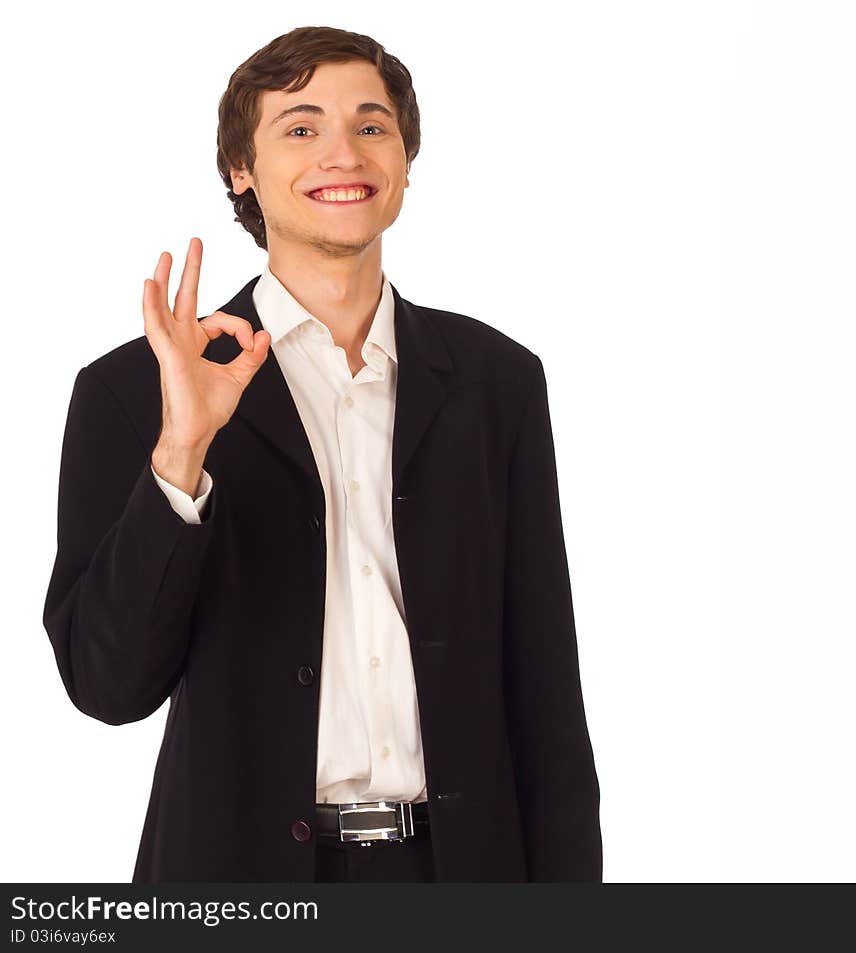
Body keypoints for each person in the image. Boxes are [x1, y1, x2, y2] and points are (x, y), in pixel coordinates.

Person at [42, 25, 602, 883]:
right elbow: (107, 686)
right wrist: (182, 448)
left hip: (463, 873)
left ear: (406, 161)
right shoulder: (137, 388)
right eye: (300, 128)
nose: (342, 152)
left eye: (371, 126)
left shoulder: (498, 382)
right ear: (242, 169)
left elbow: (547, 695)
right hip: (239, 881)